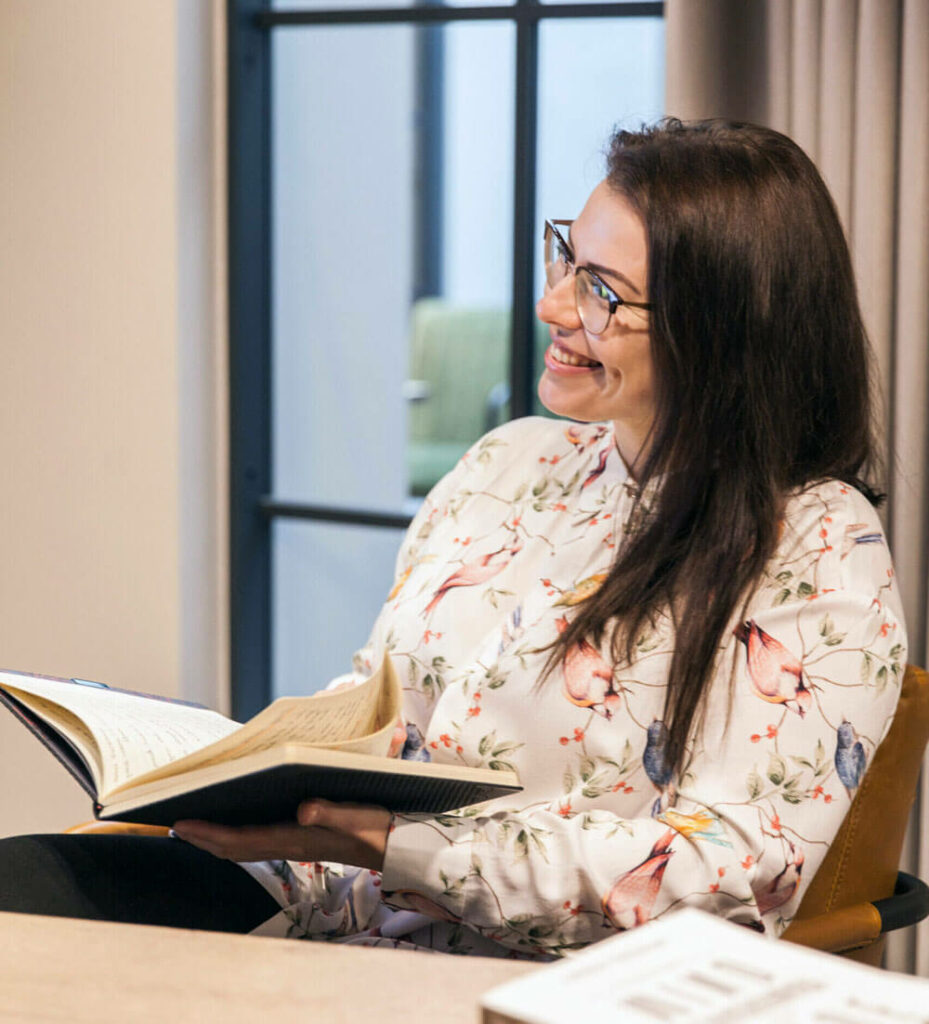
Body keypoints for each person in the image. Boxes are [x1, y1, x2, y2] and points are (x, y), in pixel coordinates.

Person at [0, 119, 906, 957]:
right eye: (567, 259)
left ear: (726, 330)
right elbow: (382, 711)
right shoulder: (508, 463)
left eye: (601, 293)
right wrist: (248, 777)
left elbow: (730, 875)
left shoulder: (816, 545)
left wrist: (400, 848)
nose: (553, 306)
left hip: (544, 976)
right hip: (331, 901)